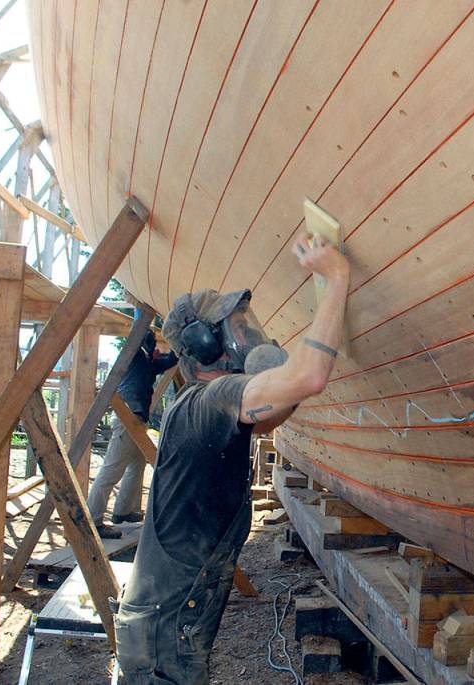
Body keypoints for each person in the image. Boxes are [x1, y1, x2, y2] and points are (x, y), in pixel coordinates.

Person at [114, 232, 349, 684]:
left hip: (166, 623)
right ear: (205, 344)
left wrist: (286, 386)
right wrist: (337, 279)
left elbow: (268, 418)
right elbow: (310, 378)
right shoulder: (211, 398)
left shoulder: (201, 407)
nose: (247, 331)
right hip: (165, 636)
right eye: (236, 326)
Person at [87, 326, 178, 537]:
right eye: (151, 342)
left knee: (136, 466)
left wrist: (178, 348)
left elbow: (168, 361)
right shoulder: (132, 356)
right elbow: (137, 346)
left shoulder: (145, 362)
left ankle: (122, 511)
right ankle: (93, 520)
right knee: (112, 470)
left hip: (136, 419)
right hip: (127, 417)